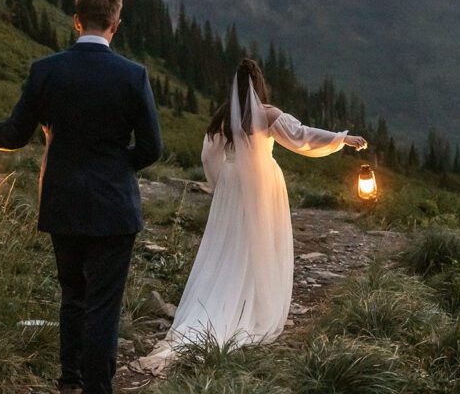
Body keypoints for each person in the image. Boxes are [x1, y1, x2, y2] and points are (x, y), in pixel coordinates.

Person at [0, 0, 162, 394]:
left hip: (63, 204)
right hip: (113, 208)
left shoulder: (45, 71)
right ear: (114, 24)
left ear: (77, 22)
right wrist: (115, 169)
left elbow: (14, 135)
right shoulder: (132, 75)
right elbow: (152, 148)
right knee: (103, 309)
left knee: (73, 298)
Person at [132, 57, 367, 374]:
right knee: (259, 240)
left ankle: (217, 301)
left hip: (232, 182)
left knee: (227, 243)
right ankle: (253, 303)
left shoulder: (222, 118)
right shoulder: (268, 115)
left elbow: (208, 155)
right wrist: (341, 139)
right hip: (261, 182)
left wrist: (220, 183)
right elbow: (302, 137)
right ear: (259, 85)